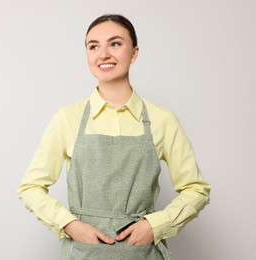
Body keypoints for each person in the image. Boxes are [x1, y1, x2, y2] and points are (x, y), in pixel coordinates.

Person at [17, 14, 210, 260]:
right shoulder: (68, 118)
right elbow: (30, 187)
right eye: (93, 46)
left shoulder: (162, 119)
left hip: (140, 253)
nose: (103, 54)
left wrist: (155, 226)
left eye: (115, 44)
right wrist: (69, 225)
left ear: (134, 53)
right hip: (83, 253)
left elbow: (196, 189)